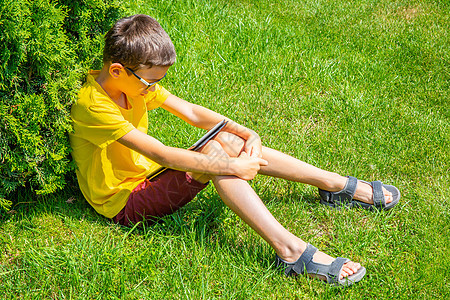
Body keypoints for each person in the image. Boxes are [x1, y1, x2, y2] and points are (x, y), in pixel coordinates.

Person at [69, 14, 400, 286]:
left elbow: (194, 113)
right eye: (151, 82)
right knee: (218, 158)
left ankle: (335, 185)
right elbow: (162, 154)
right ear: (117, 71)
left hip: (149, 177)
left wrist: (243, 131)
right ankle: (291, 251)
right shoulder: (94, 106)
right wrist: (234, 168)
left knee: (226, 142)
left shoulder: (132, 86)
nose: (154, 88)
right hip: (123, 202)